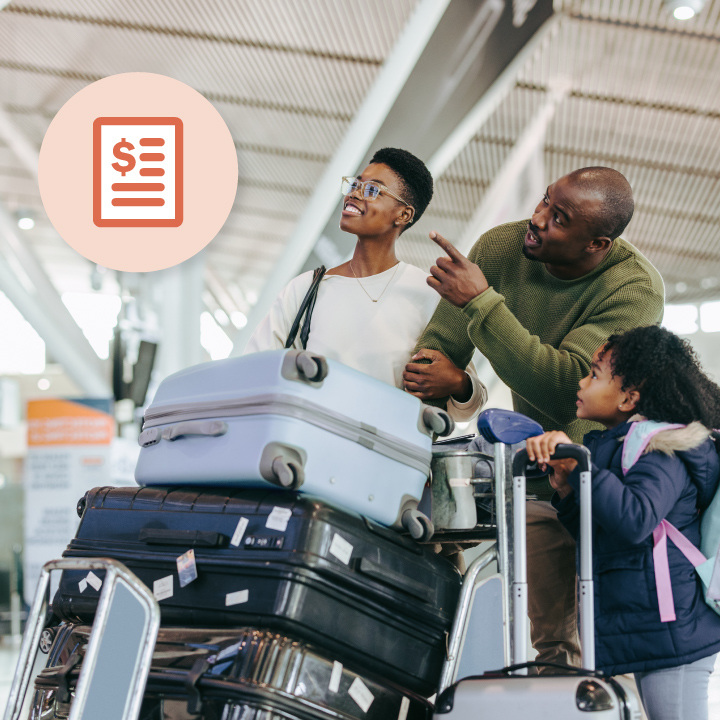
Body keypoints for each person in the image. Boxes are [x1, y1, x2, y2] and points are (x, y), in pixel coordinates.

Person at [404, 167, 665, 668]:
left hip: (608, 481)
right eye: (545, 201)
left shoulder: (634, 289)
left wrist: (482, 303)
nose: (539, 218)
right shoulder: (501, 249)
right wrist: (448, 384)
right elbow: (437, 353)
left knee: (606, 643)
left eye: (559, 217)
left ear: (597, 243)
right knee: (553, 645)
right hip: (538, 481)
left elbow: (572, 388)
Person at [526, 325, 720, 720]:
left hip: (671, 627)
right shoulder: (618, 446)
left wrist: (582, 465)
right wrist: (566, 485)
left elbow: (636, 519)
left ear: (629, 398)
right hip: (648, 621)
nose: (582, 381)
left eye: (594, 374)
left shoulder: (663, 448)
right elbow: (603, 529)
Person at [247, 147, 487, 421]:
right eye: (355, 184)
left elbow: (470, 404)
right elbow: (253, 370)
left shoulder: (428, 293)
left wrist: (458, 383)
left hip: (393, 455)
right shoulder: (306, 290)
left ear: (403, 215)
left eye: (372, 190)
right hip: (311, 453)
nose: (355, 193)